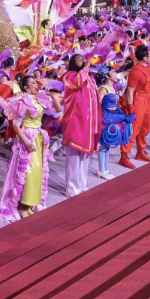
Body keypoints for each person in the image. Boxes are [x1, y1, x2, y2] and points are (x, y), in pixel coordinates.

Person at [0, 75, 51, 221]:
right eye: (33, 83)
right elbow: (15, 125)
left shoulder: (39, 99)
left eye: (36, 82)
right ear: (26, 87)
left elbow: (57, 109)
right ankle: (21, 205)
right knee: (27, 171)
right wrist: (26, 142)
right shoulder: (22, 102)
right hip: (27, 138)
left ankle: (29, 204)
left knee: (37, 171)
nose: (36, 84)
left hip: (38, 137)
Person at [58, 55, 102, 197]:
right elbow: (78, 83)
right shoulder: (70, 76)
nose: (83, 61)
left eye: (83, 59)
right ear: (73, 63)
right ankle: (71, 188)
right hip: (75, 121)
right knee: (74, 156)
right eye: (79, 60)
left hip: (89, 122)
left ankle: (81, 184)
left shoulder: (90, 78)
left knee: (84, 155)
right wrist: (85, 69)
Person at [121, 46, 150, 163]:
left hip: (147, 100)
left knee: (145, 127)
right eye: (149, 55)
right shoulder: (136, 71)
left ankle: (141, 151)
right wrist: (130, 106)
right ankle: (124, 155)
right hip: (138, 100)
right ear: (145, 58)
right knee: (134, 128)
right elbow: (130, 91)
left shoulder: (149, 67)